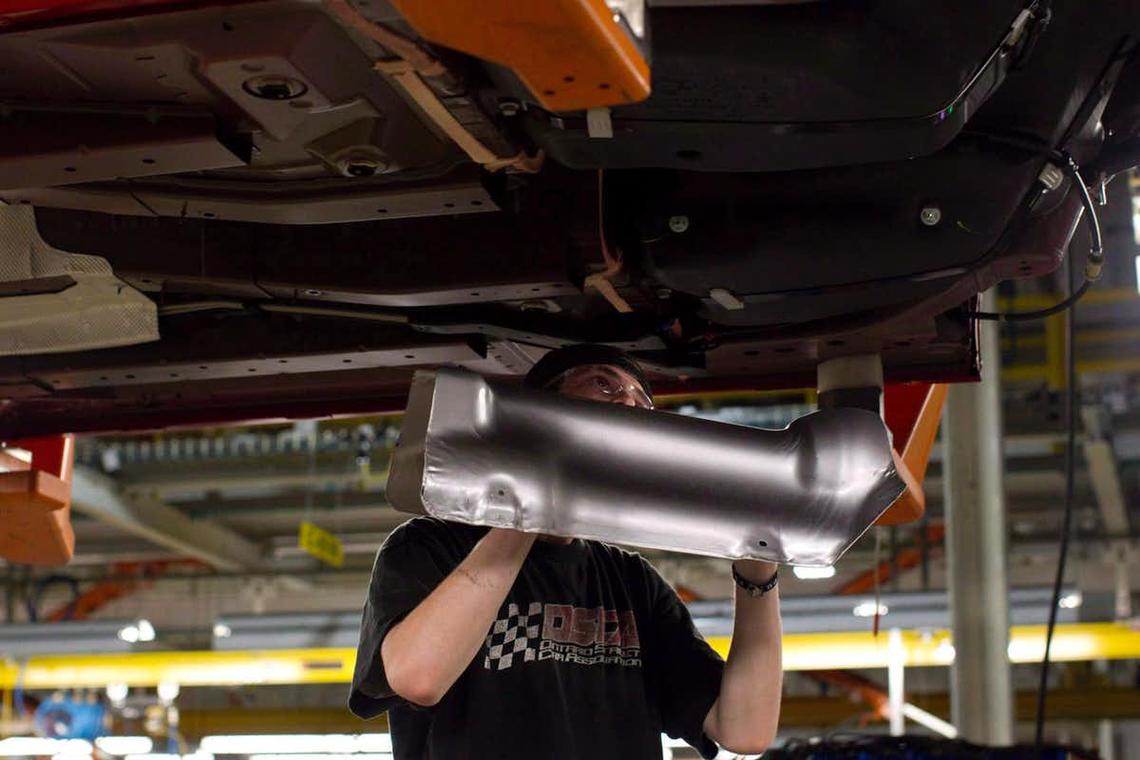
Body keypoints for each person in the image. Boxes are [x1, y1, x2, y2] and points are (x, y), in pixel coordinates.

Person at [349, 344, 783, 759]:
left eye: (643, 402)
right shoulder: (430, 547)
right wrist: (534, 496)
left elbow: (745, 731)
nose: (631, 405)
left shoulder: (632, 581)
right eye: (606, 385)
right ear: (540, 411)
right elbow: (418, 678)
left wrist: (758, 573)